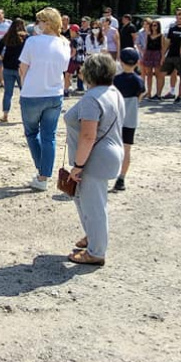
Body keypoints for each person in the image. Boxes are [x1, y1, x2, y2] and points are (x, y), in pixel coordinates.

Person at [64, 53, 125, 266]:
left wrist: (78, 165)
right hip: (110, 152)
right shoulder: (113, 92)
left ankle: (96, 252)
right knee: (84, 199)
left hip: (94, 158)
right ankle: (93, 236)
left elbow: (88, 135)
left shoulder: (92, 98)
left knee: (94, 205)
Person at [18, 8, 70, 191]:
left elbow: (23, 68)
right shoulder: (65, 43)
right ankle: (44, 174)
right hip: (55, 93)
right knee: (50, 136)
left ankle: (42, 172)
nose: (37, 24)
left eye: (40, 21)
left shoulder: (32, 41)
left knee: (32, 133)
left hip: (32, 94)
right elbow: (64, 68)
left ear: (47, 23)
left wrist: (24, 87)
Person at [113, 48, 145, 191]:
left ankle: (108, 173)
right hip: (131, 120)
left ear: (121, 61)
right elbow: (140, 96)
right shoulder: (139, 81)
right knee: (127, 150)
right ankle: (121, 178)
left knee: (111, 146)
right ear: (137, 62)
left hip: (116, 119)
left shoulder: (116, 80)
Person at [0, 17, 28, 123]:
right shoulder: (26, 37)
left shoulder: (7, 36)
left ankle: (5, 114)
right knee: (24, 92)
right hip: (20, 68)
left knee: (8, 93)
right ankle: (25, 115)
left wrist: (2, 58)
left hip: (8, 67)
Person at [160, 8, 181, 100]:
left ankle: (180, 95)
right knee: (164, 73)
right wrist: (163, 55)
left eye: (180, 16)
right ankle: (167, 93)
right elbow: (167, 42)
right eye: (177, 16)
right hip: (171, 54)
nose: (178, 18)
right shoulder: (172, 29)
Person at [142, 19, 163, 99]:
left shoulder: (161, 35)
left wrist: (162, 57)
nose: (153, 27)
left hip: (157, 54)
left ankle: (158, 94)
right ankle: (149, 93)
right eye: (152, 25)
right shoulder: (148, 35)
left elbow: (162, 47)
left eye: (155, 25)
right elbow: (146, 46)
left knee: (158, 74)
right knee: (149, 74)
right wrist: (144, 56)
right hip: (149, 54)